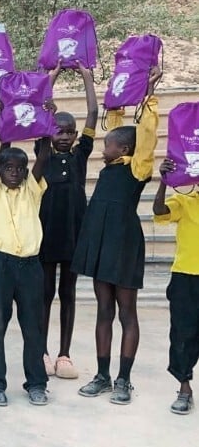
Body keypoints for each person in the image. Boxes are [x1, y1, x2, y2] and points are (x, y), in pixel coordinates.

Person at [73, 66, 162, 405]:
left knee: (127, 312)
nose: (102, 148)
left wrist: (149, 95)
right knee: (103, 311)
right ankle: (102, 375)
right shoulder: (111, 167)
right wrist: (117, 94)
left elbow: (146, 135)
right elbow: (114, 119)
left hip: (123, 243)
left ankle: (124, 379)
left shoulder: (137, 168)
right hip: (100, 242)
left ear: (123, 149)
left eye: (107, 145)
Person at [0, 122, 51, 406]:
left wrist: (46, 124)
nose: (14, 172)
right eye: (8, 167)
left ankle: (36, 383)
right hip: (0, 264)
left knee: (33, 326)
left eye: (20, 169)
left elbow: (43, 156)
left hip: (30, 266)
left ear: (26, 172)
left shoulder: (31, 190)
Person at [36, 63, 98, 379]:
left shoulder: (81, 154)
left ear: (75, 135)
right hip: (47, 234)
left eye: (69, 131)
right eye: (58, 130)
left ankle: (64, 354)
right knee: (45, 293)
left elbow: (93, 113)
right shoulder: (43, 152)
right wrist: (52, 76)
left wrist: (86, 77)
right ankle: (43, 352)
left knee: (68, 293)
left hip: (74, 235)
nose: (63, 136)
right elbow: (41, 110)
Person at [153, 158, 199, 415]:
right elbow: (160, 211)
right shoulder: (185, 200)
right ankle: (184, 387)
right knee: (182, 334)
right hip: (186, 276)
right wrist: (164, 182)